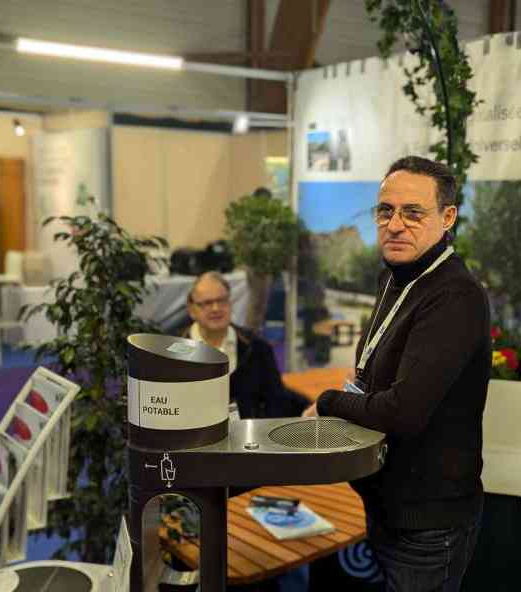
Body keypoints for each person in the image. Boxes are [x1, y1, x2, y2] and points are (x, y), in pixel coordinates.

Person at [304, 156, 490, 591]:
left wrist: (331, 402)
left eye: (412, 213)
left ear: (447, 218)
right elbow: (374, 377)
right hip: (388, 502)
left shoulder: (454, 296)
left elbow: (404, 411)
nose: (394, 224)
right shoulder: (397, 276)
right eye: (385, 211)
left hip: (428, 522)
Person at [184, 272, 308, 419]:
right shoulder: (172, 355)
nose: (216, 308)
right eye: (207, 303)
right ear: (192, 310)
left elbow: (276, 403)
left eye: (222, 300)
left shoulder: (257, 348)